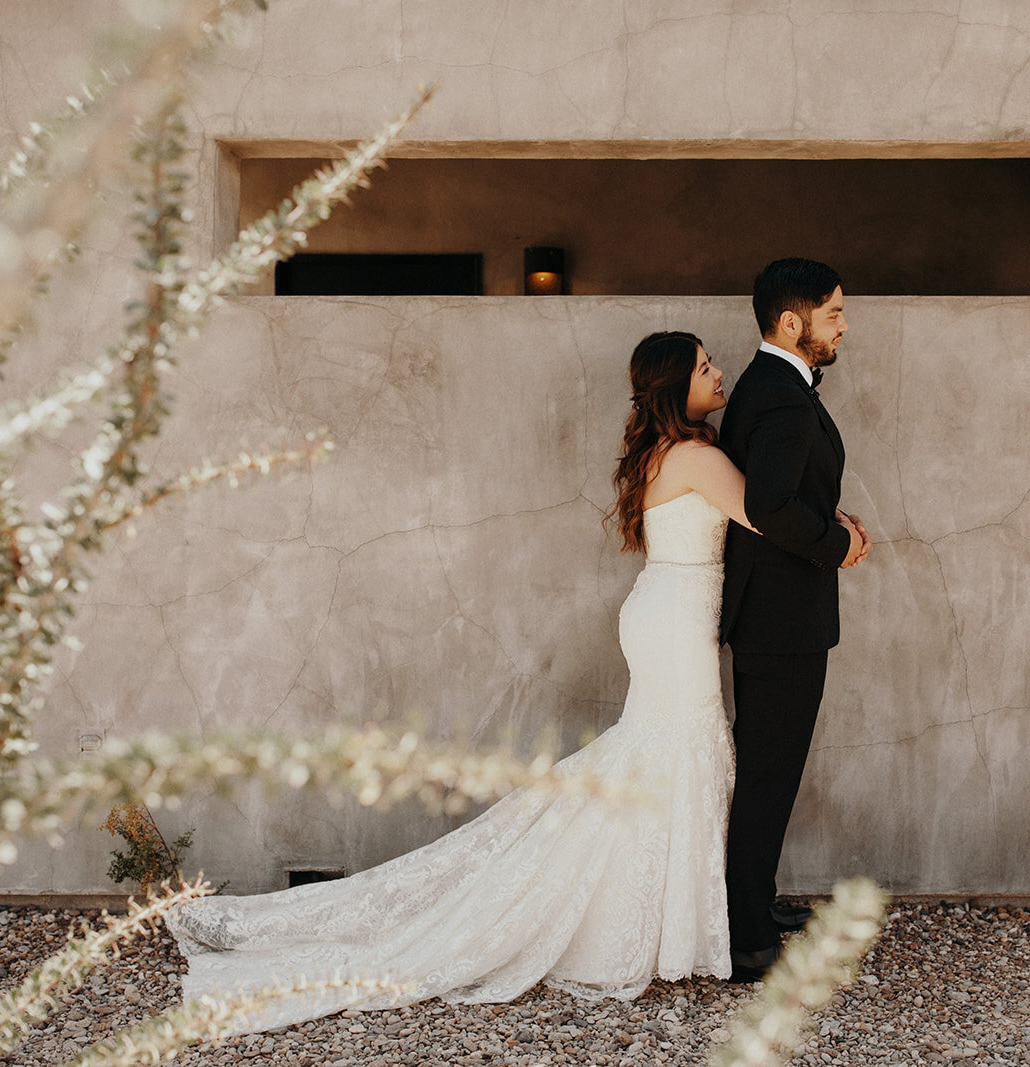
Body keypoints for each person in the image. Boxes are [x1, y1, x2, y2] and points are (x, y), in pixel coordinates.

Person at [166, 331, 758, 1034]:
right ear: (672, 385)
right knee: (676, 751)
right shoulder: (697, 456)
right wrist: (837, 530)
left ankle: (662, 924)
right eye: (705, 366)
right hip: (676, 623)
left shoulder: (667, 452)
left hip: (666, 613)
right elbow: (768, 518)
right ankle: (648, 926)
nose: (719, 372)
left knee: (661, 755)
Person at [719, 257, 871, 982]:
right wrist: (836, 545)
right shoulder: (780, 395)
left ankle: (753, 899)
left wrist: (828, 517)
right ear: (792, 321)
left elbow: (785, 492)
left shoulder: (776, 385)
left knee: (771, 769)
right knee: (768, 774)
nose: (844, 325)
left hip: (779, 613)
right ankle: (747, 936)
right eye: (834, 313)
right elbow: (766, 506)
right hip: (781, 619)